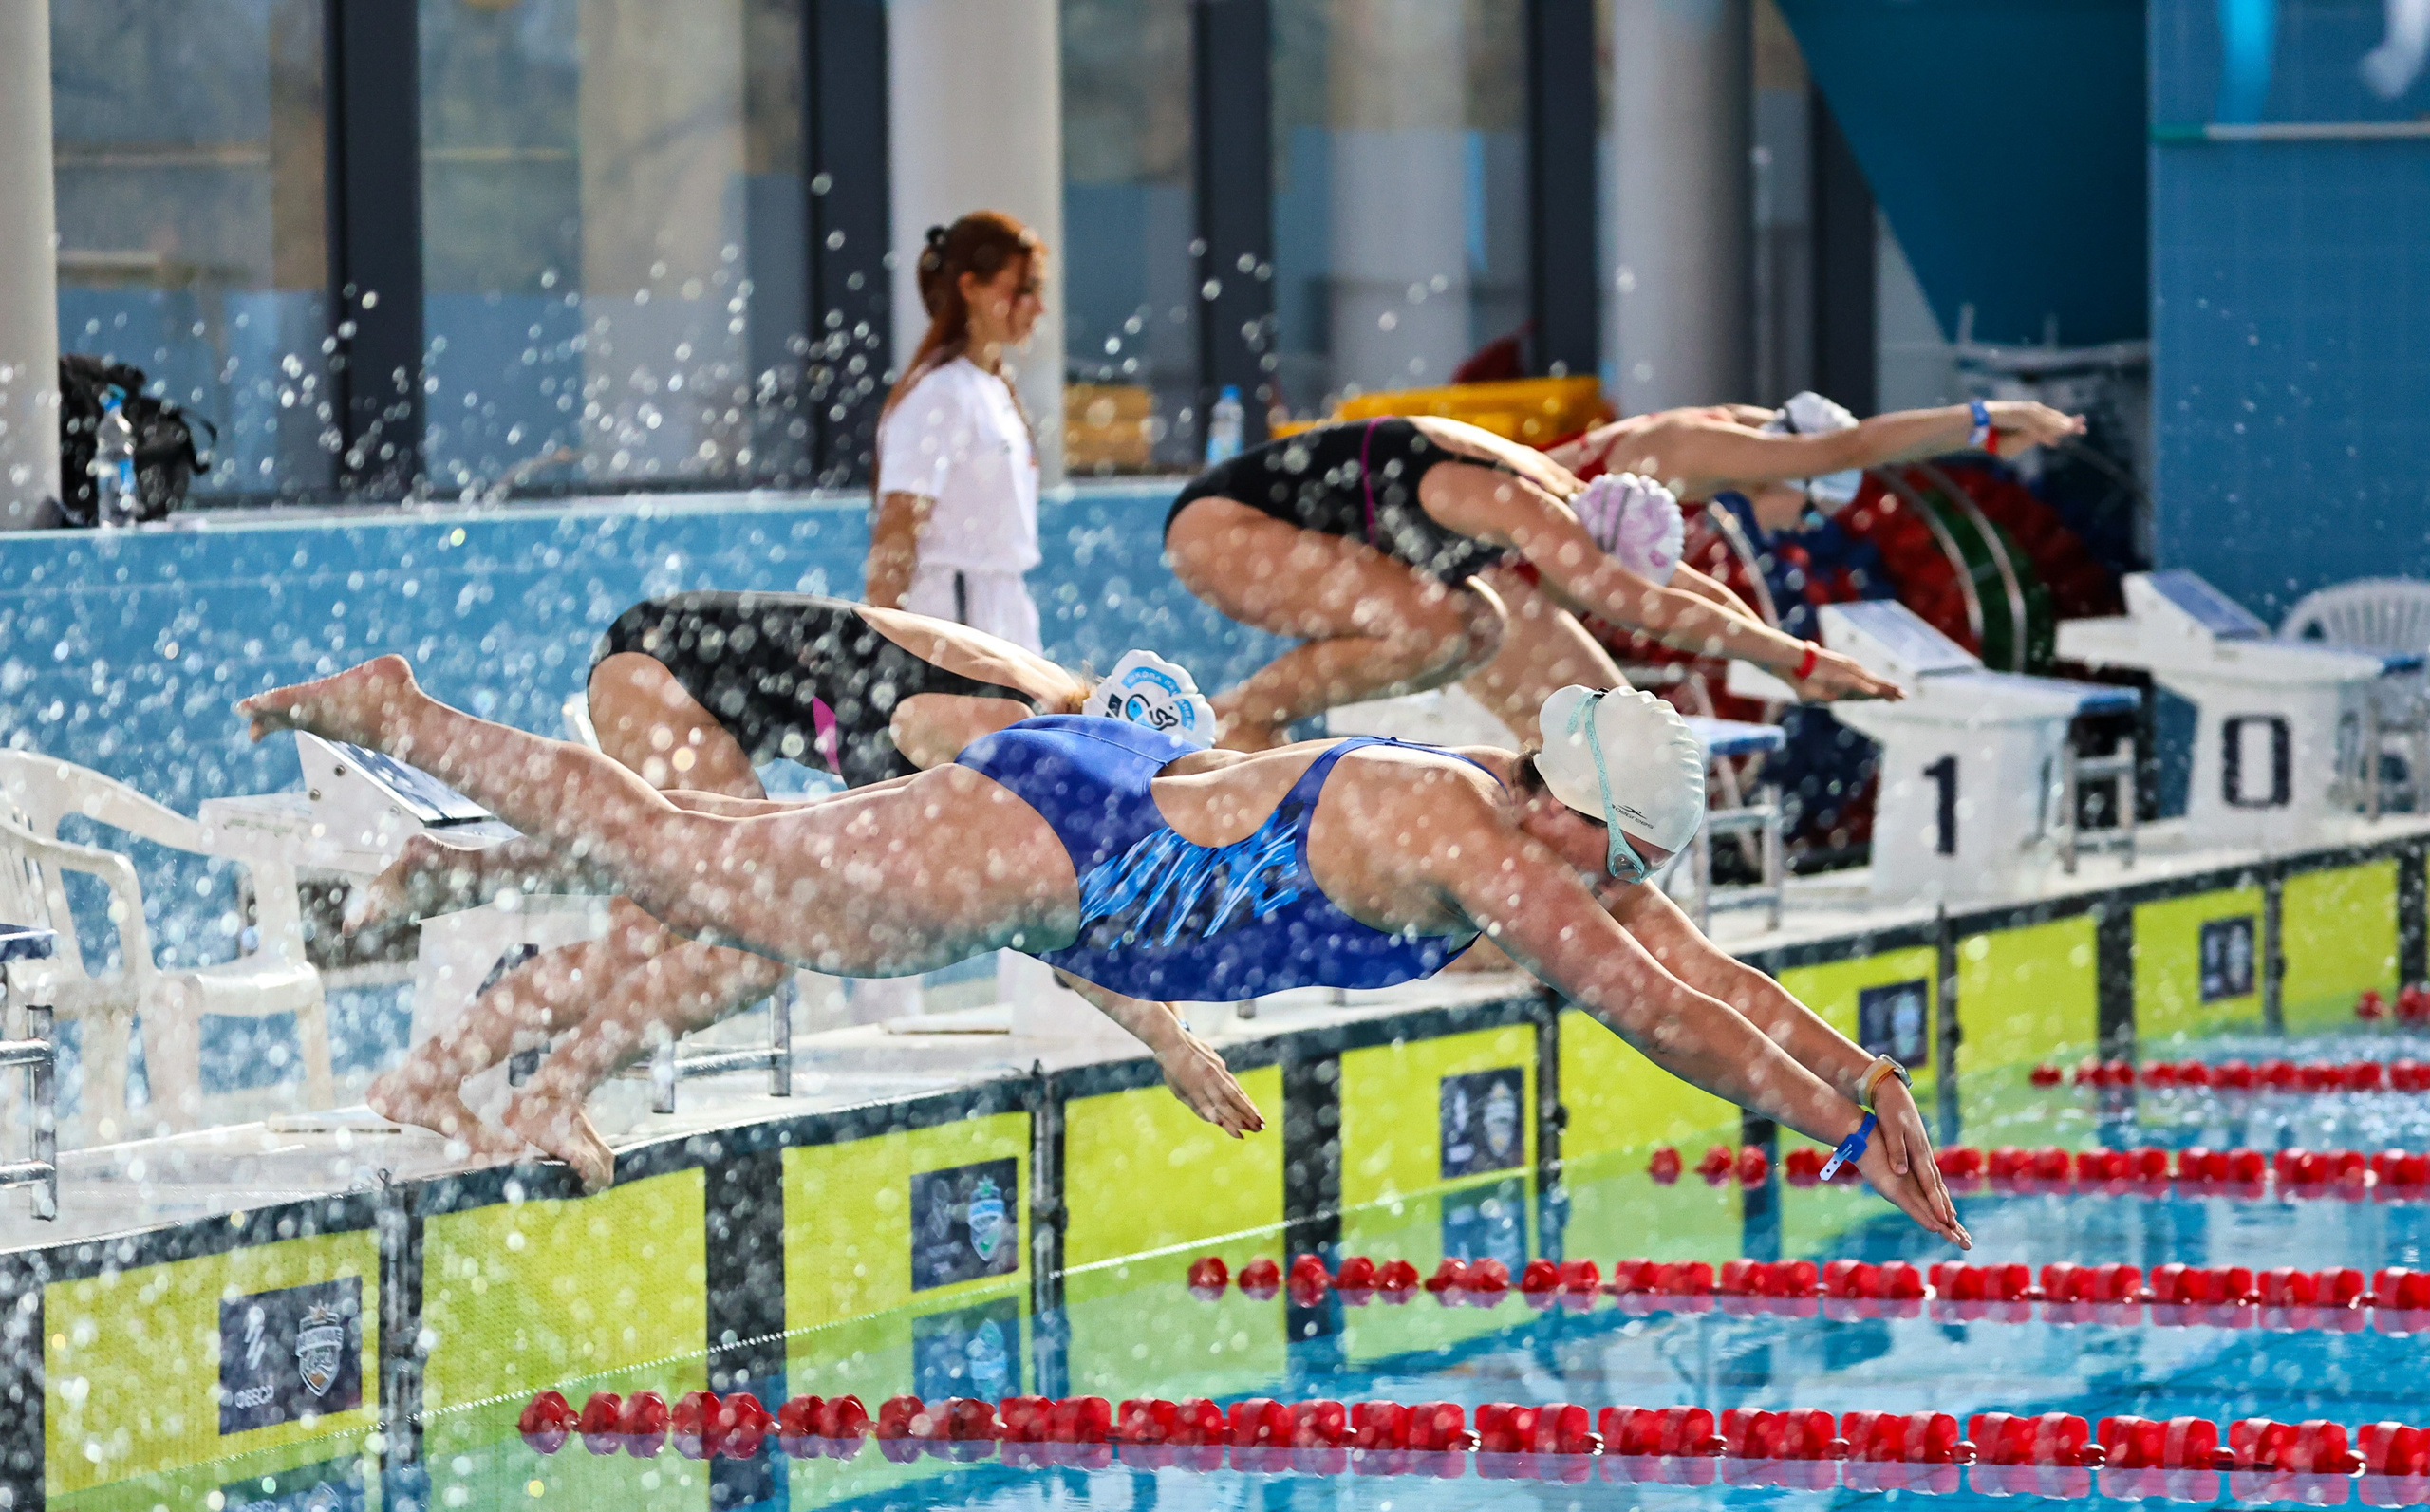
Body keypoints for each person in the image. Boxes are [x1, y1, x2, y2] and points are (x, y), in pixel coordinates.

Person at [240, 657, 1970, 1254]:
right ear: (1576, 811)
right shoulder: (1465, 837)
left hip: (1074, 844)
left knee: (714, 882)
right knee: (698, 866)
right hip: (1060, 841)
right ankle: (417, 729)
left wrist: (1858, 1075)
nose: (1637, 886)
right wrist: (1821, 1132)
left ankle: (430, 854)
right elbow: (1648, 1005)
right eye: (1633, 853)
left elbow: (1705, 971)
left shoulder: (1529, 831)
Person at [349, 595, 1208, 1176]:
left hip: (679, 668)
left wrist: (1166, 1034)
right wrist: (1166, 1037)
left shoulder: (1046, 715)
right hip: (667, 673)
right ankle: (538, 1072)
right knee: (742, 950)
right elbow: (1039, 924)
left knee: (664, 940)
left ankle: (433, 1069)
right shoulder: (1001, 730)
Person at [1163, 415, 1904, 754]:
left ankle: (1254, 719)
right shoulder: (1521, 502)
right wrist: (1803, 660)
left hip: (1276, 527)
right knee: (1437, 628)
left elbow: (1675, 593)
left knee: (1475, 626)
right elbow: (1637, 603)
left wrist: (1784, 657)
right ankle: (1240, 715)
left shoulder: (1573, 506)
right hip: (1220, 529)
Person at [1455, 394, 2091, 729]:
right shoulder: (1712, 448)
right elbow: (1853, 443)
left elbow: (1699, 593)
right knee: (1610, 751)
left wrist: (1786, 663)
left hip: (1510, 564)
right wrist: (1982, 423)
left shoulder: (1720, 435)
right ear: (1799, 476)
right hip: (1491, 571)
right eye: (1812, 511)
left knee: (1607, 748)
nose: (1805, 530)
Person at [869, 211, 1049, 649]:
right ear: (970, 288)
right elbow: (897, 530)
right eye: (1022, 290)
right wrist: (880, 646)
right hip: (957, 616)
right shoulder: (939, 394)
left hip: (1000, 610)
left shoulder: (993, 388)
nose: (1037, 307)